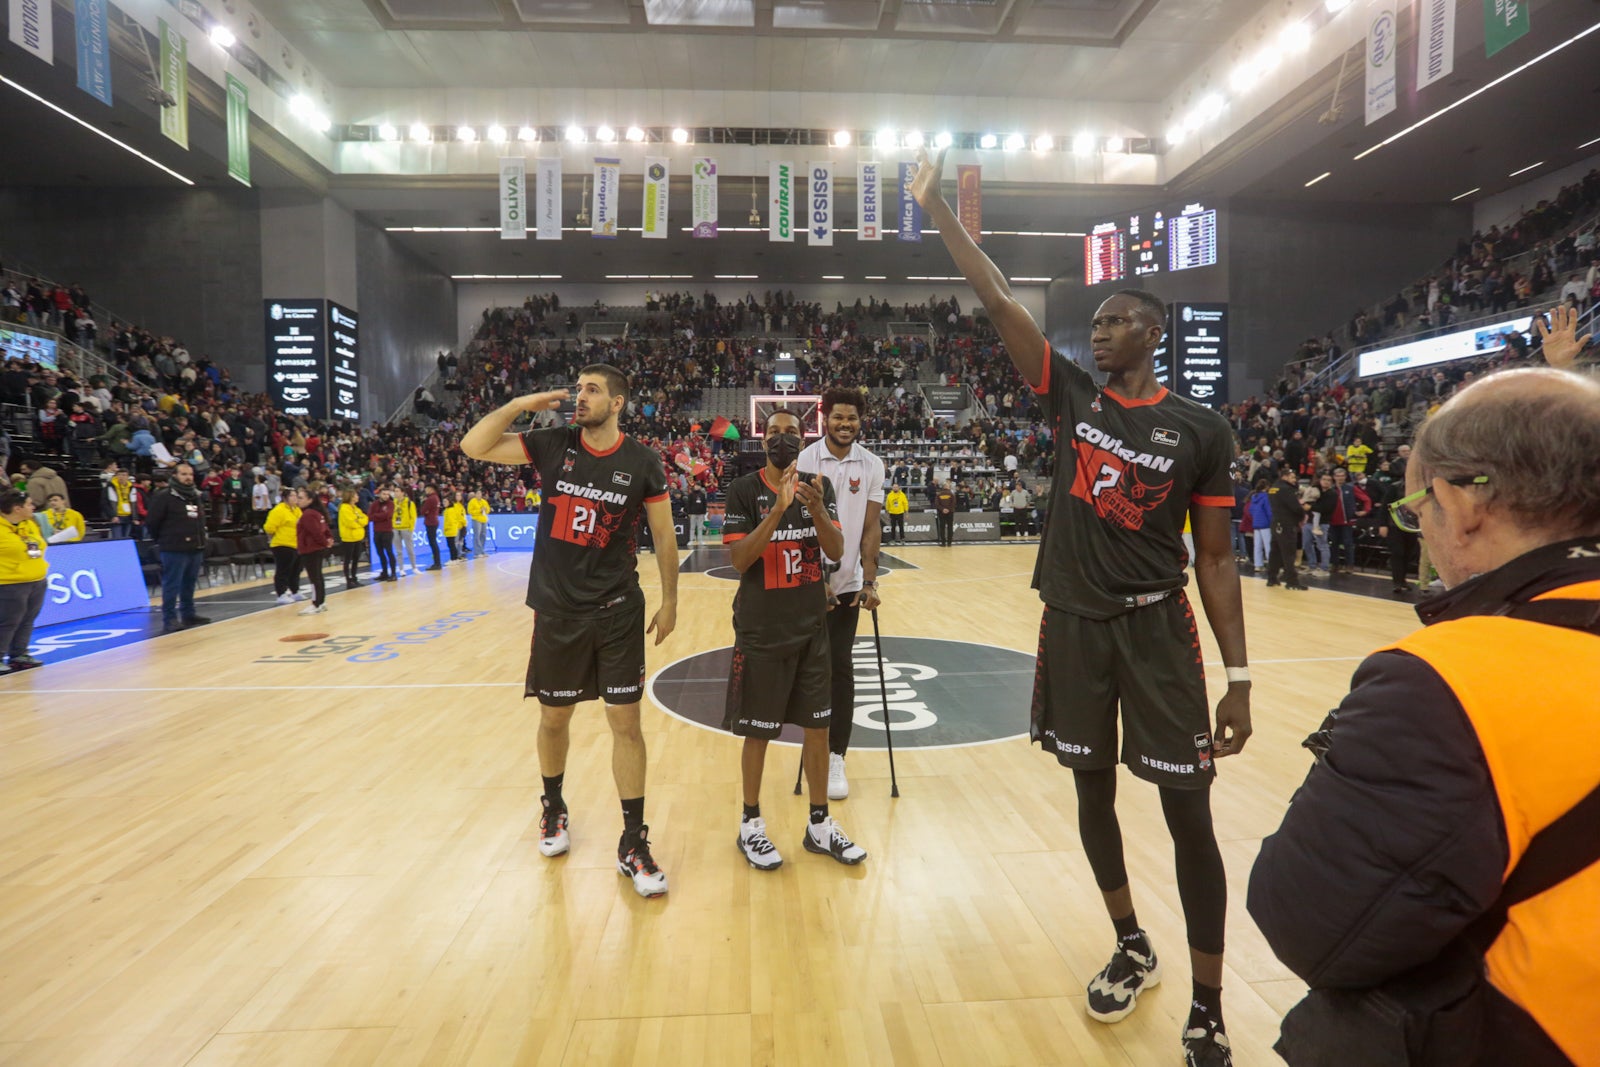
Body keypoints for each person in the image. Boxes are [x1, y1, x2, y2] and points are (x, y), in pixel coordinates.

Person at [913, 146, 1252, 1067]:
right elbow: (998, 303)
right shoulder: (1071, 398)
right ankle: (1132, 941)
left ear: (1152, 330)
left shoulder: (1204, 431)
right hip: (1071, 624)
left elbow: (1216, 559)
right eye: (1094, 324)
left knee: (1191, 816)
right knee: (1090, 792)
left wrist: (1241, 677)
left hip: (1157, 626)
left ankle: (1211, 1002)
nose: (1095, 334)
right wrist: (942, 213)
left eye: (1113, 322)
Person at [1248, 333, 1600, 1066]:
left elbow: (1307, 920)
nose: (1424, 529)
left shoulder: (1450, 680)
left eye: (1418, 508)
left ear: (1464, 502)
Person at [460, 364, 680, 898]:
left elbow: (664, 535)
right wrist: (519, 405)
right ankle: (553, 806)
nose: (580, 397)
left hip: (618, 610)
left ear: (618, 402)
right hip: (558, 611)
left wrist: (672, 600)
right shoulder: (554, 442)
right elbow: (474, 446)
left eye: (592, 390)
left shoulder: (643, 461)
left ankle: (632, 840)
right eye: (578, 388)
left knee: (626, 723)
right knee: (553, 719)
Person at [724, 409, 866, 869]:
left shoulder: (816, 484)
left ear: (803, 438)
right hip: (762, 632)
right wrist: (779, 511)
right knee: (758, 733)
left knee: (819, 729)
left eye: (791, 433)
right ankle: (750, 824)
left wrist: (816, 509)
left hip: (811, 630)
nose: (782, 440)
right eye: (773, 433)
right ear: (761, 439)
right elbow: (740, 560)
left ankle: (820, 826)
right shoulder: (744, 490)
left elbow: (837, 550)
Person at [797, 386, 884, 801]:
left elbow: (871, 528)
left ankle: (836, 756)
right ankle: (811, 745)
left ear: (859, 420)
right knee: (805, 672)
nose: (845, 424)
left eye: (852, 418)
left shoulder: (872, 465)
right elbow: (797, 526)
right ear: (824, 418)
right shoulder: (805, 459)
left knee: (841, 672)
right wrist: (815, 582)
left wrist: (869, 580)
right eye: (838, 418)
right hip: (805, 586)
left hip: (848, 587)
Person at [145, 464, 212, 634]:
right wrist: (165, 539)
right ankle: (170, 619)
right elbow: (152, 522)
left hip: (195, 546)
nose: (188, 477)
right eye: (183, 474)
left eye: (190, 474)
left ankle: (188, 614)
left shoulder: (194, 496)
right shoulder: (164, 496)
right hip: (174, 548)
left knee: (189, 584)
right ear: (174, 476)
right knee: (172, 585)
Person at [0, 489, 48, 673]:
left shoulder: (29, 524)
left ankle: (19, 654)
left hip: (37, 579)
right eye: (29, 504)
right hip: (9, 583)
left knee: (28, 619)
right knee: (8, 621)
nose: (33, 507)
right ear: (17, 508)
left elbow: (39, 545)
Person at [1263, 470, 1307, 590]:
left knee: (1275, 552)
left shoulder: (1273, 488)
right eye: (1292, 477)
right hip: (1286, 524)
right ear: (1284, 476)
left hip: (1276, 522)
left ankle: (1271, 578)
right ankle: (1292, 581)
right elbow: (1295, 507)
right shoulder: (1286, 489)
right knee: (1289, 553)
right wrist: (1303, 515)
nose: (1294, 480)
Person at [293, 486, 332, 615]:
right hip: (317, 549)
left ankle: (316, 603)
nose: (298, 500)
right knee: (318, 577)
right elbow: (325, 530)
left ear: (310, 500)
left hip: (311, 550)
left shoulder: (308, 514)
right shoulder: (317, 513)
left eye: (300, 498)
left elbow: (316, 533)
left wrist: (325, 542)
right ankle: (321, 602)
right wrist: (327, 540)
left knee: (314, 578)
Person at [263, 488, 305, 605]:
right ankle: (281, 593)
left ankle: (295, 591)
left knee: (296, 569)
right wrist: (274, 537)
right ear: (285, 498)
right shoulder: (279, 510)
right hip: (282, 544)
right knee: (283, 570)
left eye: (296, 496)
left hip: (296, 544)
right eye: (292, 496)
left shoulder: (297, 510)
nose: (295, 498)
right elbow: (269, 527)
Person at [337, 488, 368, 587]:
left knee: (356, 559)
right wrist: (359, 522)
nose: (358, 497)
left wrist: (358, 521)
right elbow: (351, 523)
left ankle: (354, 578)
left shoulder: (356, 508)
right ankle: (348, 580)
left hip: (358, 537)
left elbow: (365, 519)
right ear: (350, 497)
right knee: (347, 560)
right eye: (356, 495)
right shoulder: (344, 508)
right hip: (348, 538)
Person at [369, 487, 397, 581]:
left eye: (387, 494)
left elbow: (388, 515)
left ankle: (393, 574)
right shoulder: (374, 504)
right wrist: (381, 516)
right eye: (384, 494)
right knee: (380, 553)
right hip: (377, 531)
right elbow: (370, 517)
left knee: (389, 552)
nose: (386, 496)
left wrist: (377, 516)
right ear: (379, 494)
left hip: (387, 531)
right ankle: (384, 572)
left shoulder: (391, 504)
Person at [392, 485, 418, 576]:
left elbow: (413, 516)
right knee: (398, 551)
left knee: (410, 549)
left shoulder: (409, 503)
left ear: (402, 492)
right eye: (395, 491)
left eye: (397, 491)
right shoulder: (393, 503)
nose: (395, 493)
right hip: (395, 529)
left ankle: (414, 567)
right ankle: (401, 569)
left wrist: (410, 529)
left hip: (406, 528)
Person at [103, 469, 136, 538]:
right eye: (119, 475)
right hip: (117, 516)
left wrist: (135, 517)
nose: (121, 477)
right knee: (117, 538)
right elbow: (105, 503)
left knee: (126, 538)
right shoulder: (110, 487)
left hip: (128, 516)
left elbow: (134, 502)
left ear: (127, 477)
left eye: (124, 475)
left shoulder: (131, 487)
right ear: (116, 476)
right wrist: (112, 515)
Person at [421, 485, 442, 570]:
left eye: (426, 489)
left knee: (433, 543)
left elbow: (422, 511)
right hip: (434, 520)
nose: (425, 490)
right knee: (433, 543)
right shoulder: (436, 497)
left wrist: (423, 503)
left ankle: (437, 563)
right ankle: (437, 563)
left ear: (430, 489)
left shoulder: (430, 499)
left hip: (430, 521)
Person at [442, 493, 466, 562]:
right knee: (454, 543)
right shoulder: (451, 508)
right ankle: (456, 557)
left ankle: (456, 557)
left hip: (456, 527)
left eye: (460, 495)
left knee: (457, 542)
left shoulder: (457, 507)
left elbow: (455, 518)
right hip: (456, 527)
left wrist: (464, 523)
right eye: (457, 495)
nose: (458, 497)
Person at [466, 490, 490, 556]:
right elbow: (470, 511)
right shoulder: (472, 502)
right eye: (478, 494)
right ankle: (477, 552)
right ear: (475, 494)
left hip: (483, 520)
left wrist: (485, 510)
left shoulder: (484, 501)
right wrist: (479, 510)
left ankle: (482, 550)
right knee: (477, 535)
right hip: (476, 519)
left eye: (480, 493)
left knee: (483, 535)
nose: (479, 495)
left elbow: (488, 509)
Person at [933, 479, 956, 546]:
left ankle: (943, 543)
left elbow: (937, 504)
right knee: (950, 527)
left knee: (942, 527)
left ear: (943, 487)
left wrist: (943, 509)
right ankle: (949, 543)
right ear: (948, 487)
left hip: (941, 512)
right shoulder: (952, 494)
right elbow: (954, 503)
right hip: (950, 512)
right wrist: (948, 509)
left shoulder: (939, 494)